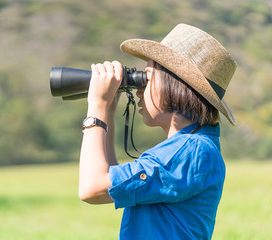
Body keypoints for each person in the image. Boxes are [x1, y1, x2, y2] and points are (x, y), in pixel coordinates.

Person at [78, 23, 237, 240]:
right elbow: (113, 184)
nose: (138, 89)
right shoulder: (193, 147)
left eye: (147, 78)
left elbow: (92, 188)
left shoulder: (190, 151)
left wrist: (96, 106)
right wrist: (108, 114)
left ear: (174, 84)